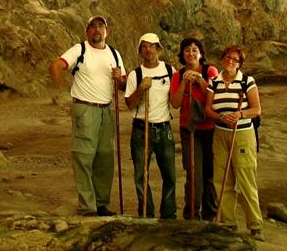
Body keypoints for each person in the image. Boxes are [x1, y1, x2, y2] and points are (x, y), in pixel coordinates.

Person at [48, 15, 124, 216]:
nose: (97, 30)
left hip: (106, 110)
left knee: (105, 157)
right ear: (87, 31)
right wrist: (59, 93)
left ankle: (100, 204)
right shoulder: (79, 50)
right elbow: (56, 66)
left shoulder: (115, 54)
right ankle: (87, 207)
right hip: (85, 108)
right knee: (84, 157)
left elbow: (124, 84)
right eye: (92, 27)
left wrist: (120, 79)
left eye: (101, 26)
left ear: (107, 31)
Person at [205, 44, 263, 239]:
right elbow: (208, 109)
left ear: (240, 64)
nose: (230, 61)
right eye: (227, 57)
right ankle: (229, 223)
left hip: (242, 133)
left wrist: (239, 114)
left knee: (246, 179)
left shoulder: (247, 81)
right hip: (220, 133)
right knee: (222, 180)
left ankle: (255, 225)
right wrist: (220, 117)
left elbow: (256, 110)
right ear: (222, 59)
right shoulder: (214, 82)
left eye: (235, 59)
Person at [124, 32, 176, 219]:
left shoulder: (170, 71)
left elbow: (176, 99)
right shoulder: (135, 74)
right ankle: (146, 212)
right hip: (141, 129)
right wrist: (141, 88)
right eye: (144, 47)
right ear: (140, 52)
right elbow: (129, 104)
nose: (149, 50)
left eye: (152, 46)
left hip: (164, 128)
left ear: (159, 49)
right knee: (140, 175)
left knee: (169, 174)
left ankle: (168, 214)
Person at [169, 37, 219, 220]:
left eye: (194, 50)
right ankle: (191, 214)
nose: (191, 53)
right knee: (193, 171)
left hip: (210, 127)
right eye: (187, 50)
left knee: (209, 172)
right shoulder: (177, 75)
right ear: (182, 54)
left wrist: (200, 81)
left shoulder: (210, 71)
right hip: (189, 129)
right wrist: (184, 82)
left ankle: (210, 214)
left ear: (201, 54)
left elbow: (215, 99)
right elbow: (174, 103)